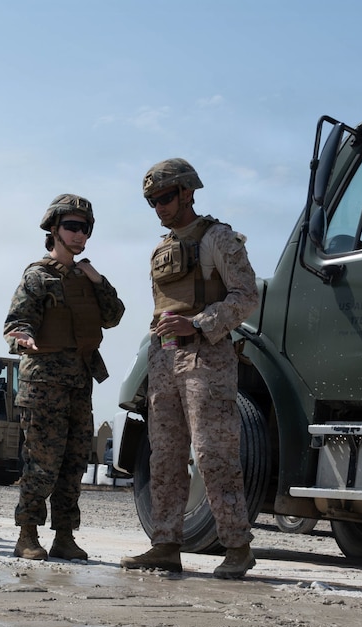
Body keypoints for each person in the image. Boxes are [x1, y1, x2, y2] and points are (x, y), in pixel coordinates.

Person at [120, 159, 259, 577]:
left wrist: (198, 323)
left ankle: (237, 547)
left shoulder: (219, 239)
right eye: (152, 201)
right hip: (164, 358)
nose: (159, 207)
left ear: (187, 192)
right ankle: (165, 544)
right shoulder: (161, 249)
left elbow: (246, 296)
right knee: (164, 456)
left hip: (206, 358)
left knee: (214, 454)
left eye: (165, 197)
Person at [3, 194, 124, 561]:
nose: (79, 234)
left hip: (78, 384)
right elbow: (17, 322)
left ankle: (65, 537)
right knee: (41, 462)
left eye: (85, 228)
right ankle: (27, 535)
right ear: (54, 229)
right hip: (43, 384)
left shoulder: (88, 279)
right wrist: (22, 337)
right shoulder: (37, 276)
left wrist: (98, 280)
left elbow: (113, 315)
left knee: (73, 465)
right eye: (72, 226)